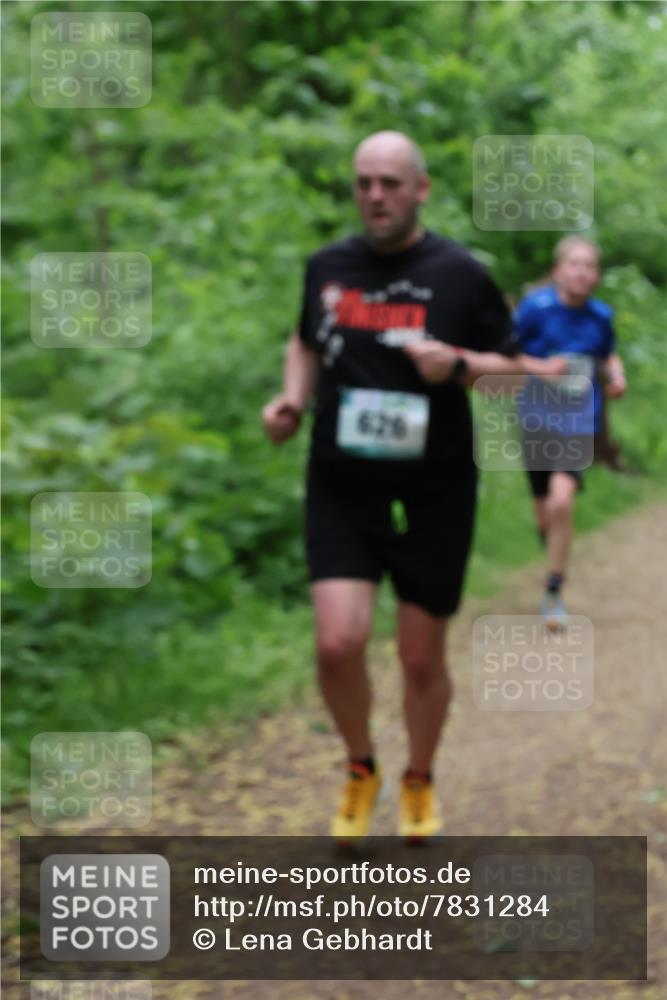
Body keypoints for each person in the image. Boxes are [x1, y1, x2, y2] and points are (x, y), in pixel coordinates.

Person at [262, 131, 562, 844]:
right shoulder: (327, 267)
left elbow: (523, 372)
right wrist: (291, 401)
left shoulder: (460, 274)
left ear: (420, 189)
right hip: (342, 481)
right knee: (338, 643)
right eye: (364, 182)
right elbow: (304, 339)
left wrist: (458, 364)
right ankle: (360, 766)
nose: (375, 196)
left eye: (390, 183)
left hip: (433, 487)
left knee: (418, 655)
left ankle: (419, 776)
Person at [515, 236, 627, 628]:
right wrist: (542, 369)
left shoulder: (601, 316)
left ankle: (553, 588)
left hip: (579, 422)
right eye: (574, 264)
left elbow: (607, 353)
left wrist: (616, 374)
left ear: (596, 275)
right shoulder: (535, 310)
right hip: (536, 419)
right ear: (558, 270)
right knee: (546, 511)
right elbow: (506, 353)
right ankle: (553, 551)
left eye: (589, 265)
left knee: (562, 502)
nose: (582, 272)